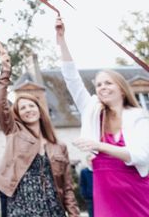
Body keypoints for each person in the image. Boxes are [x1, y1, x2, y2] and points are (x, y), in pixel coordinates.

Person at [56, 18, 149, 216]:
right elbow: (72, 78)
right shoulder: (91, 110)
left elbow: (140, 155)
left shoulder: (139, 116)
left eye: (108, 83)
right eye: (98, 85)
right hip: (105, 191)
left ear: (122, 89)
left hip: (136, 191)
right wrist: (61, 41)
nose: (102, 87)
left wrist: (98, 146)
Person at [0, 50, 79, 217]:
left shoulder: (59, 147)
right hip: (22, 208)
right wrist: (5, 72)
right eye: (22, 108)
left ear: (39, 110)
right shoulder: (14, 132)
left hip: (54, 209)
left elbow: (67, 187)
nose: (28, 110)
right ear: (17, 115)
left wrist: (74, 213)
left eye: (31, 106)